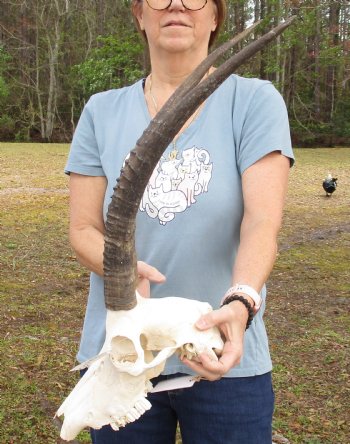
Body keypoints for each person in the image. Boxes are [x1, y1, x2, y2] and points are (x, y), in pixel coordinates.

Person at [64, 0, 294, 443]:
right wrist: (122, 270)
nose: (175, 6)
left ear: (215, 16)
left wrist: (241, 301)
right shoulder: (101, 110)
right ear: (138, 15)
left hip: (225, 356)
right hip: (124, 357)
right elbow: (82, 229)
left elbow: (262, 222)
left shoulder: (254, 101)